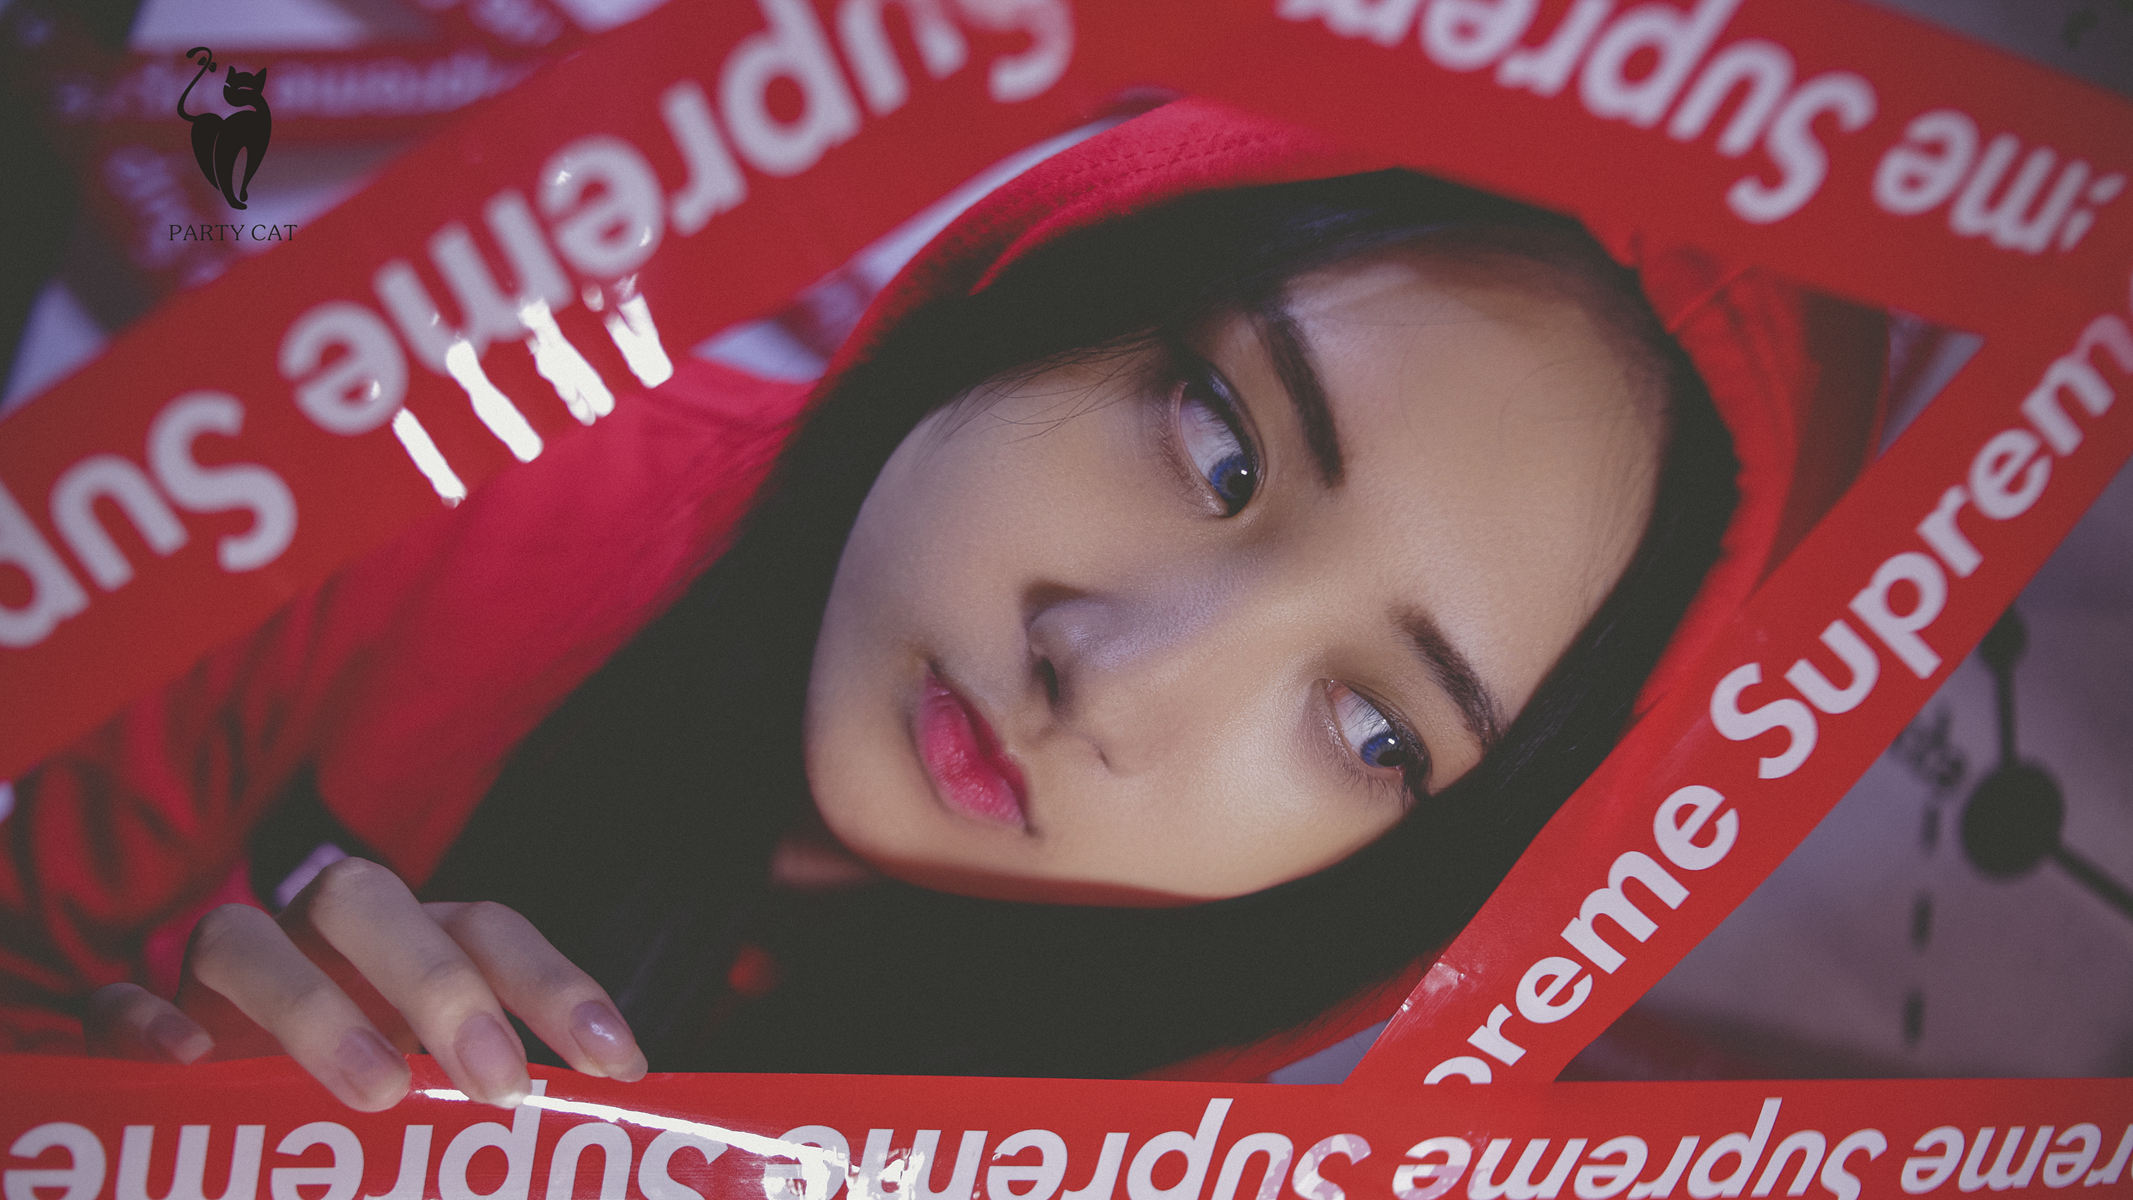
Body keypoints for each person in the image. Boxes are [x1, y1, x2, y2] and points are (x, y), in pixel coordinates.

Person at [1, 100, 1885, 1110]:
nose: (1117, 680)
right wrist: (147, 1108)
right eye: (1219, 442)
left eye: (1377, 729)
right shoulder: (422, 477)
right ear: (1062, 278)